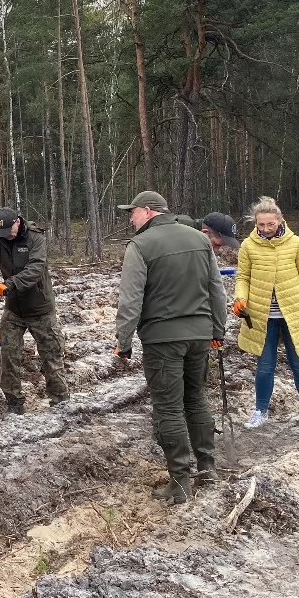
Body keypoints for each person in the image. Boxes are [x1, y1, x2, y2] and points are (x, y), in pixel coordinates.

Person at [115, 191, 227, 504]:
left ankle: (180, 481)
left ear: (148, 212)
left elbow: (130, 299)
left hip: (163, 339)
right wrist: (218, 329)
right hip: (200, 335)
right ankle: (207, 469)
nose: (130, 217)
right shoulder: (199, 239)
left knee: (168, 406)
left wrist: (123, 342)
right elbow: (216, 289)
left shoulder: (140, 245)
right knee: (196, 398)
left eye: (133, 211)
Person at [234, 196, 299, 431]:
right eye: (261, 225)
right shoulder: (248, 246)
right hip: (262, 316)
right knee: (264, 366)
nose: (266, 229)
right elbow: (243, 277)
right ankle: (260, 411)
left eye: (270, 224)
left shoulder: (296, 244)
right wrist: (240, 298)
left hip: (295, 315)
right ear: (255, 223)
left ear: (280, 220)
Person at [0, 207, 69, 414]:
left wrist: (9, 285)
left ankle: (60, 402)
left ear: (17, 222)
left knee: (51, 355)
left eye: (9, 232)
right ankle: (14, 402)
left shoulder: (35, 238)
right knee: (8, 355)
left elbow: (36, 269)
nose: (6, 238)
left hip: (41, 308)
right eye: (0, 234)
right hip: (14, 310)